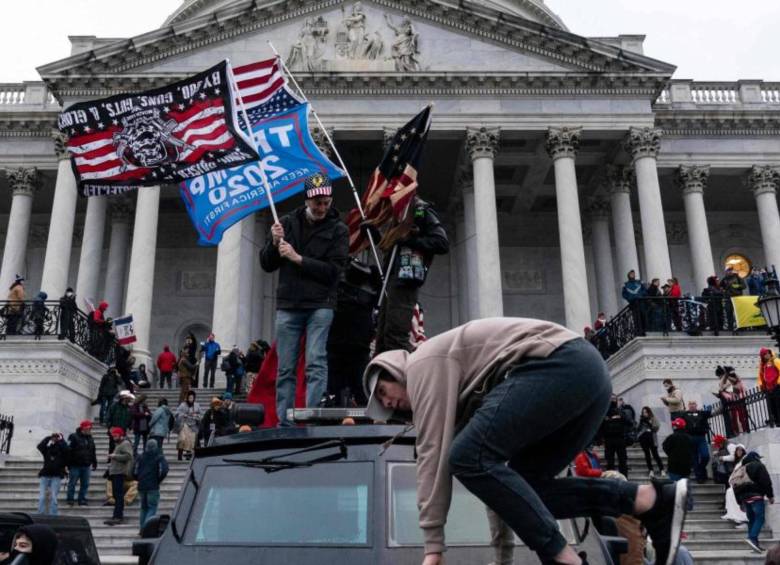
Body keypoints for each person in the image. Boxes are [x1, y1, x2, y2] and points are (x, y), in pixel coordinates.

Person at [363, 317, 689, 565]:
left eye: (382, 392)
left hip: (560, 365)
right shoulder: (464, 395)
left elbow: (432, 456)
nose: (387, 404)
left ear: (395, 370)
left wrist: (432, 547)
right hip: (588, 379)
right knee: (525, 489)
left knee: (463, 457)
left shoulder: (422, 364)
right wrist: (503, 557)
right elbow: (501, 491)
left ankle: (564, 559)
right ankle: (649, 500)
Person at [260, 173, 349, 426]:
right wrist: (274, 243)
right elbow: (267, 264)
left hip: (321, 304)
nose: (322, 208)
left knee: (315, 362)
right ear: (307, 199)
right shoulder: (286, 223)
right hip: (289, 304)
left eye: (326, 202)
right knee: (285, 368)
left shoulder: (338, 229)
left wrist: (298, 259)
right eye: (317, 202)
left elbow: (334, 272)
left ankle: (312, 419)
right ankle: (285, 423)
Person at [373, 196, 449, 354]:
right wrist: (374, 234)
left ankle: (401, 375)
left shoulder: (420, 211)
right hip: (390, 280)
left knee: (395, 336)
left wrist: (411, 240)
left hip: (406, 281)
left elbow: (441, 243)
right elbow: (390, 246)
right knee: (382, 337)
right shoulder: (395, 214)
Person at [731, 450, 775, 553]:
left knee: (752, 520)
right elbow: (766, 481)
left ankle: (754, 544)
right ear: (756, 458)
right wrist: (770, 496)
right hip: (756, 497)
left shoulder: (741, 468)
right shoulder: (758, 466)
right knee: (760, 518)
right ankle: (752, 538)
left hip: (745, 499)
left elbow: (735, 487)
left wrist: (739, 502)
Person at [133, 438, 169, 532]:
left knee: (143, 508)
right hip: (153, 486)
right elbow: (165, 470)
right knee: (152, 507)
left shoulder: (140, 457)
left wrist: (137, 478)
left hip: (142, 485)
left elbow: (132, 469)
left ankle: (142, 529)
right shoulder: (159, 457)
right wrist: (159, 480)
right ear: (155, 447)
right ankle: (146, 529)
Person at [105, 427, 133, 526]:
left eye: (115, 435)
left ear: (120, 435)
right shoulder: (119, 444)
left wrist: (114, 456)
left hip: (120, 473)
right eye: (113, 436)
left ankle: (118, 516)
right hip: (115, 472)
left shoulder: (125, 443)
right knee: (117, 495)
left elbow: (129, 456)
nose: (113, 437)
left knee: (119, 495)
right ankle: (116, 515)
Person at [66, 420, 97, 507]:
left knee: (85, 484)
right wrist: (67, 464)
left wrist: (94, 462)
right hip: (75, 465)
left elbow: (93, 451)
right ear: (83, 428)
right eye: (88, 428)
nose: (90, 430)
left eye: (90, 428)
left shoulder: (90, 438)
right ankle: (70, 499)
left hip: (86, 465)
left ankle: (82, 499)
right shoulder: (73, 437)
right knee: (72, 483)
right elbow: (68, 451)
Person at [36, 432, 68, 515]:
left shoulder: (62, 451)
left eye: (56, 437)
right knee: (42, 497)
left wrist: (61, 439)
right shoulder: (47, 450)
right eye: (54, 437)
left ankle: (53, 514)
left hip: (56, 476)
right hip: (45, 475)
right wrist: (48, 438)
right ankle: (40, 513)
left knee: (53, 497)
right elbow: (40, 446)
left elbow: (67, 449)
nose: (55, 438)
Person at [601, 395, 630, 478]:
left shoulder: (621, 411)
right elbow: (601, 426)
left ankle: (624, 479)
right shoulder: (604, 412)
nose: (612, 401)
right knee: (610, 462)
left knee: (622, 461)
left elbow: (629, 422)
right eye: (611, 399)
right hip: (608, 440)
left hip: (620, 439)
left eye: (614, 399)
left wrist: (621, 416)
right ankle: (611, 481)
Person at [719, 443, 748, 526]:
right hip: (736, 485)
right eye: (737, 450)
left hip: (742, 485)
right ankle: (735, 516)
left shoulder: (744, 460)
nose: (738, 452)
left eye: (740, 450)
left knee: (740, 502)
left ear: (743, 451)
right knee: (730, 495)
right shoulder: (737, 460)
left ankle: (743, 520)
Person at [717, 365, 749, 435]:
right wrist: (726, 375)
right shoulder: (727, 379)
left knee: (742, 417)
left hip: (739, 400)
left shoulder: (734, 379)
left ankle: (744, 430)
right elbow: (721, 385)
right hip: (733, 401)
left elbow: (735, 381)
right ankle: (737, 431)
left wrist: (727, 375)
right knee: (734, 418)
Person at [683, 401, 711, 483]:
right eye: (690, 404)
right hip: (690, 438)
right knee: (694, 459)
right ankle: (699, 477)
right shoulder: (684, 414)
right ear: (688, 406)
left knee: (705, 456)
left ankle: (701, 468)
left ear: (696, 405)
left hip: (701, 437)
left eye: (693, 404)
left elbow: (710, 414)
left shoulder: (702, 413)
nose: (692, 406)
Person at [637, 406, 664, 477]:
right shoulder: (641, 419)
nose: (644, 414)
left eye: (646, 412)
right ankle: (651, 470)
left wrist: (650, 425)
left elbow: (657, 426)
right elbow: (638, 429)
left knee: (655, 454)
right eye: (643, 412)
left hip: (652, 438)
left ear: (649, 412)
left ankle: (662, 469)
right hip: (643, 439)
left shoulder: (653, 418)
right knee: (647, 455)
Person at [106, 390, 134, 456]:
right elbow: (108, 416)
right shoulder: (115, 406)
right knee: (112, 444)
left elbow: (130, 418)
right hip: (114, 428)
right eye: (127, 398)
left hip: (123, 429)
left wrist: (130, 427)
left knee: (122, 444)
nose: (128, 400)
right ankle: (110, 459)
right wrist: (109, 426)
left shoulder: (128, 408)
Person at [175, 391, 201, 461]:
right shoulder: (183, 405)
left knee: (190, 441)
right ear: (187, 398)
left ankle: (188, 456)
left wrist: (196, 416)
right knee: (182, 439)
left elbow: (200, 415)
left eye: (192, 398)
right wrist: (183, 415)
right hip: (184, 424)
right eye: (189, 397)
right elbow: (177, 413)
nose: (191, 399)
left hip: (193, 425)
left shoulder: (197, 405)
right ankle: (179, 456)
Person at [757, 347, 780, 427]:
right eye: (765, 354)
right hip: (769, 389)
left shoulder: (775, 361)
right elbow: (760, 376)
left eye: (768, 353)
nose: (767, 355)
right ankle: (776, 420)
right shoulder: (763, 365)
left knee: (778, 404)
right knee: (772, 405)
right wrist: (761, 385)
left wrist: (778, 383)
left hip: (777, 386)